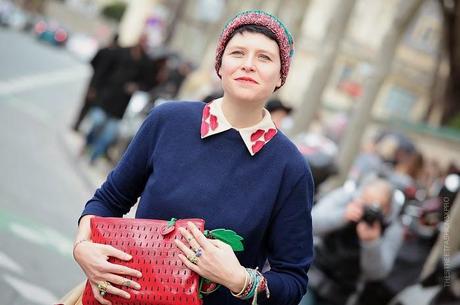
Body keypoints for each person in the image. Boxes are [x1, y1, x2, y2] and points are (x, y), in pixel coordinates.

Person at [73, 10, 314, 305]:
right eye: (237, 52)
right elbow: (110, 199)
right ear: (220, 64)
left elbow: (293, 279)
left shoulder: (291, 168)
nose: (248, 65)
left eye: (264, 58)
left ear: (280, 76)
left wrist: (240, 280)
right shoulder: (168, 120)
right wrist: (83, 246)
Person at [301, 179, 403, 305]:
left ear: (387, 209)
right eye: (366, 203)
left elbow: (376, 274)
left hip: (340, 293)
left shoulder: (392, 229)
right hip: (310, 274)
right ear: (361, 195)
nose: (368, 211)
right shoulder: (347, 197)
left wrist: (371, 243)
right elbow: (308, 224)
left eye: (376, 207)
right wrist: (343, 216)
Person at [72, 33, 120, 132]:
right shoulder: (115, 55)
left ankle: (77, 124)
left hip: (95, 82)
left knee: (86, 106)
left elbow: (93, 62)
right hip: (102, 85)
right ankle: (78, 124)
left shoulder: (105, 51)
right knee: (91, 107)